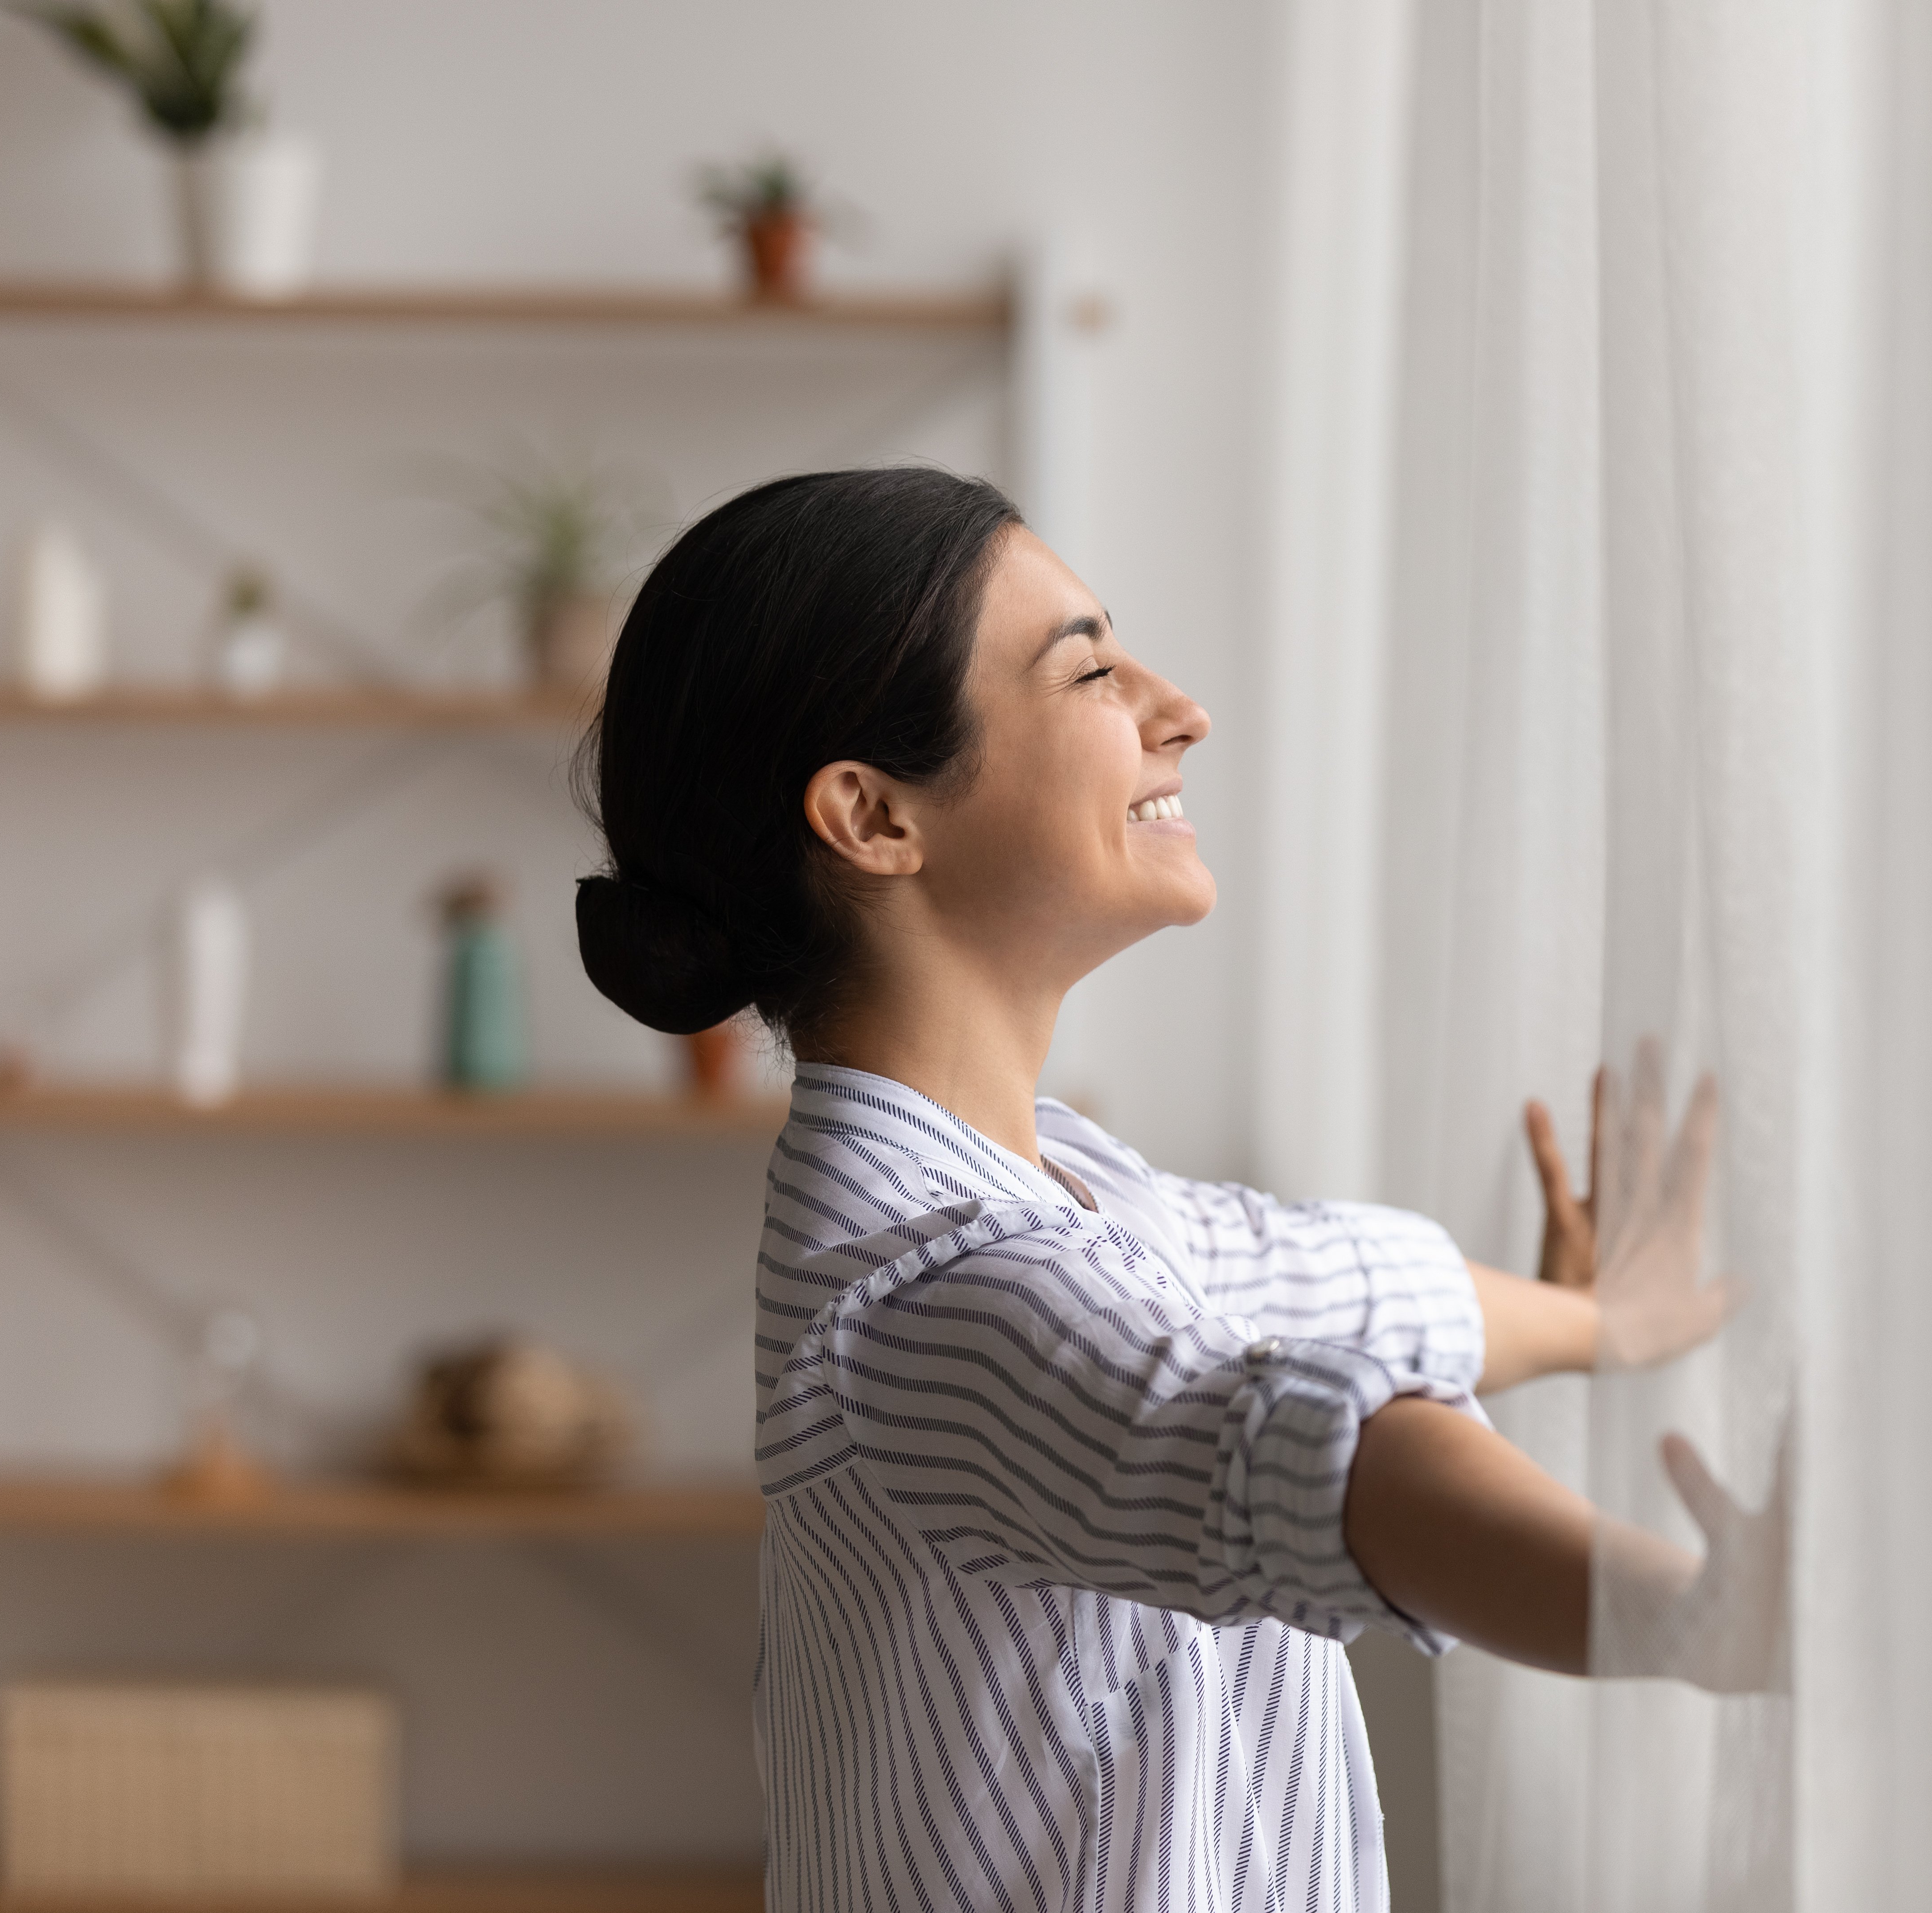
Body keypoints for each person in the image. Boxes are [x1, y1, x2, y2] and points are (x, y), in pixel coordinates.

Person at [575, 468, 1766, 1913]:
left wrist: (1598, 1320)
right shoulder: (932, 1307)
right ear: (876, 816)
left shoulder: (1074, 1193)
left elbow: (1336, 1285)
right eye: (1087, 667)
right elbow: (1312, 1454)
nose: (1177, 706)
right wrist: (1699, 1613)